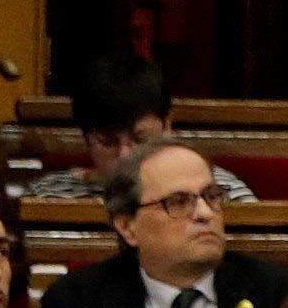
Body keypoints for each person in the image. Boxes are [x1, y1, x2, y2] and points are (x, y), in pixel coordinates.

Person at [39, 140, 288, 308]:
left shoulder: (285, 295)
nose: (205, 213)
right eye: (178, 202)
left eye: (211, 197)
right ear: (128, 227)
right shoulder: (77, 304)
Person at [20, 52, 259, 206]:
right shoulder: (47, 197)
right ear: (86, 138)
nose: (126, 154)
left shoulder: (219, 191)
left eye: (140, 138)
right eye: (108, 142)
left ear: (167, 126)